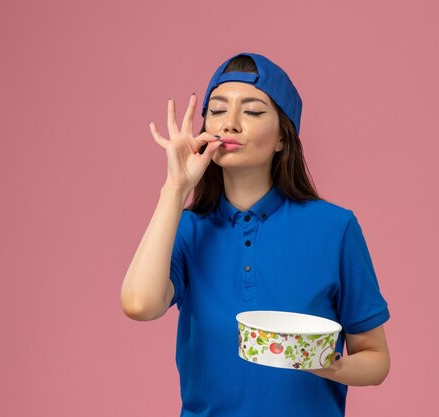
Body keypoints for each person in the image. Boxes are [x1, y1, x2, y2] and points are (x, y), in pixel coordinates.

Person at [121, 52, 391, 417]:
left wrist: (325, 364)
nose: (230, 124)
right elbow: (139, 305)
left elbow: (375, 359)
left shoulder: (335, 228)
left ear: (283, 137)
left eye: (252, 111)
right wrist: (175, 186)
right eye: (217, 110)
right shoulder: (187, 229)